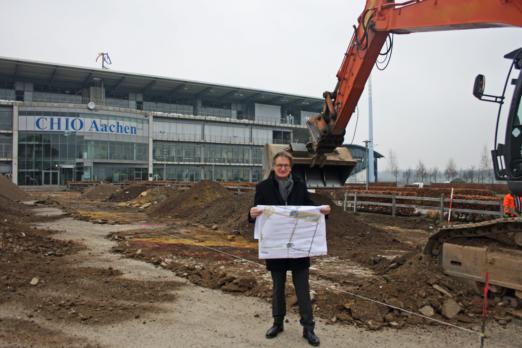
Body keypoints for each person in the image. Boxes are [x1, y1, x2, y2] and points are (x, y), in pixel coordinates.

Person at [248, 150, 330, 347]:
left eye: (286, 165)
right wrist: (251, 214)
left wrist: (322, 212)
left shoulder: (301, 187)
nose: (283, 168)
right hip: (276, 249)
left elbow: (310, 211)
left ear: (290, 168)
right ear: (274, 167)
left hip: (299, 249)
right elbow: (255, 216)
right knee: (277, 288)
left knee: (303, 288)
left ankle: (308, 328)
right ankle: (277, 323)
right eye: (279, 165)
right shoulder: (263, 187)